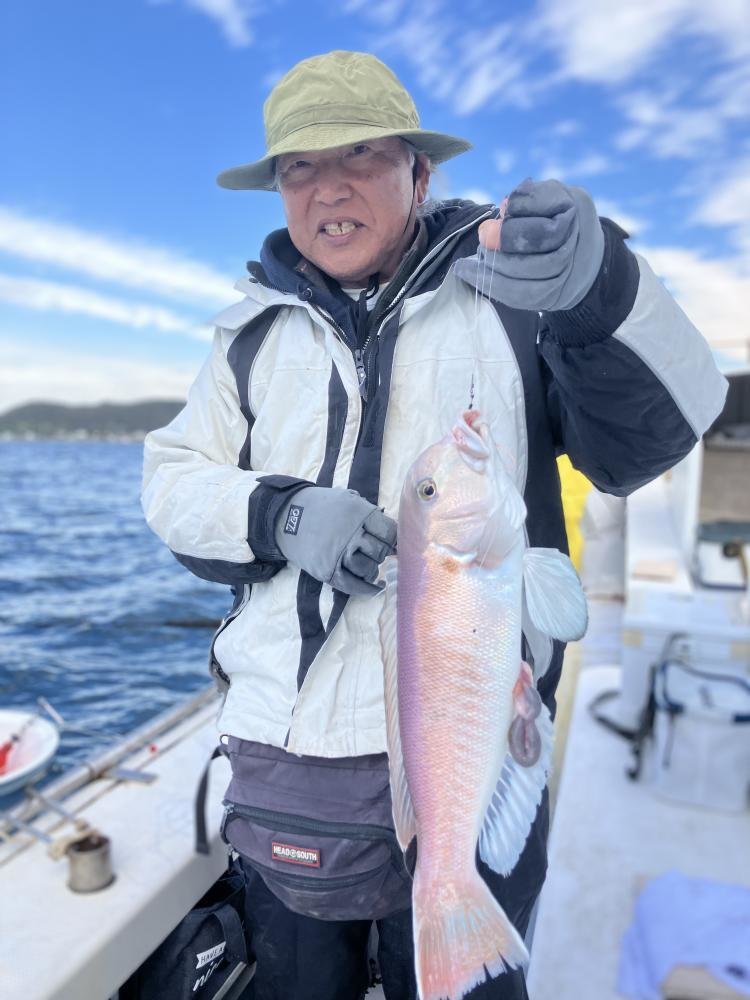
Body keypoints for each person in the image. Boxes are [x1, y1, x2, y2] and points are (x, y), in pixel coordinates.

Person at [142, 50, 727, 1000]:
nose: (328, 186)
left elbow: (654, 434)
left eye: (361, 154)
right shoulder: (246, 337)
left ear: (420, 174)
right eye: (299, 165)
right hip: (288, 774)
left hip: (476, 759)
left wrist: (598, 288)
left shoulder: (515, 292)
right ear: (279, 191)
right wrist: (280, 513)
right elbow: (172, 483)